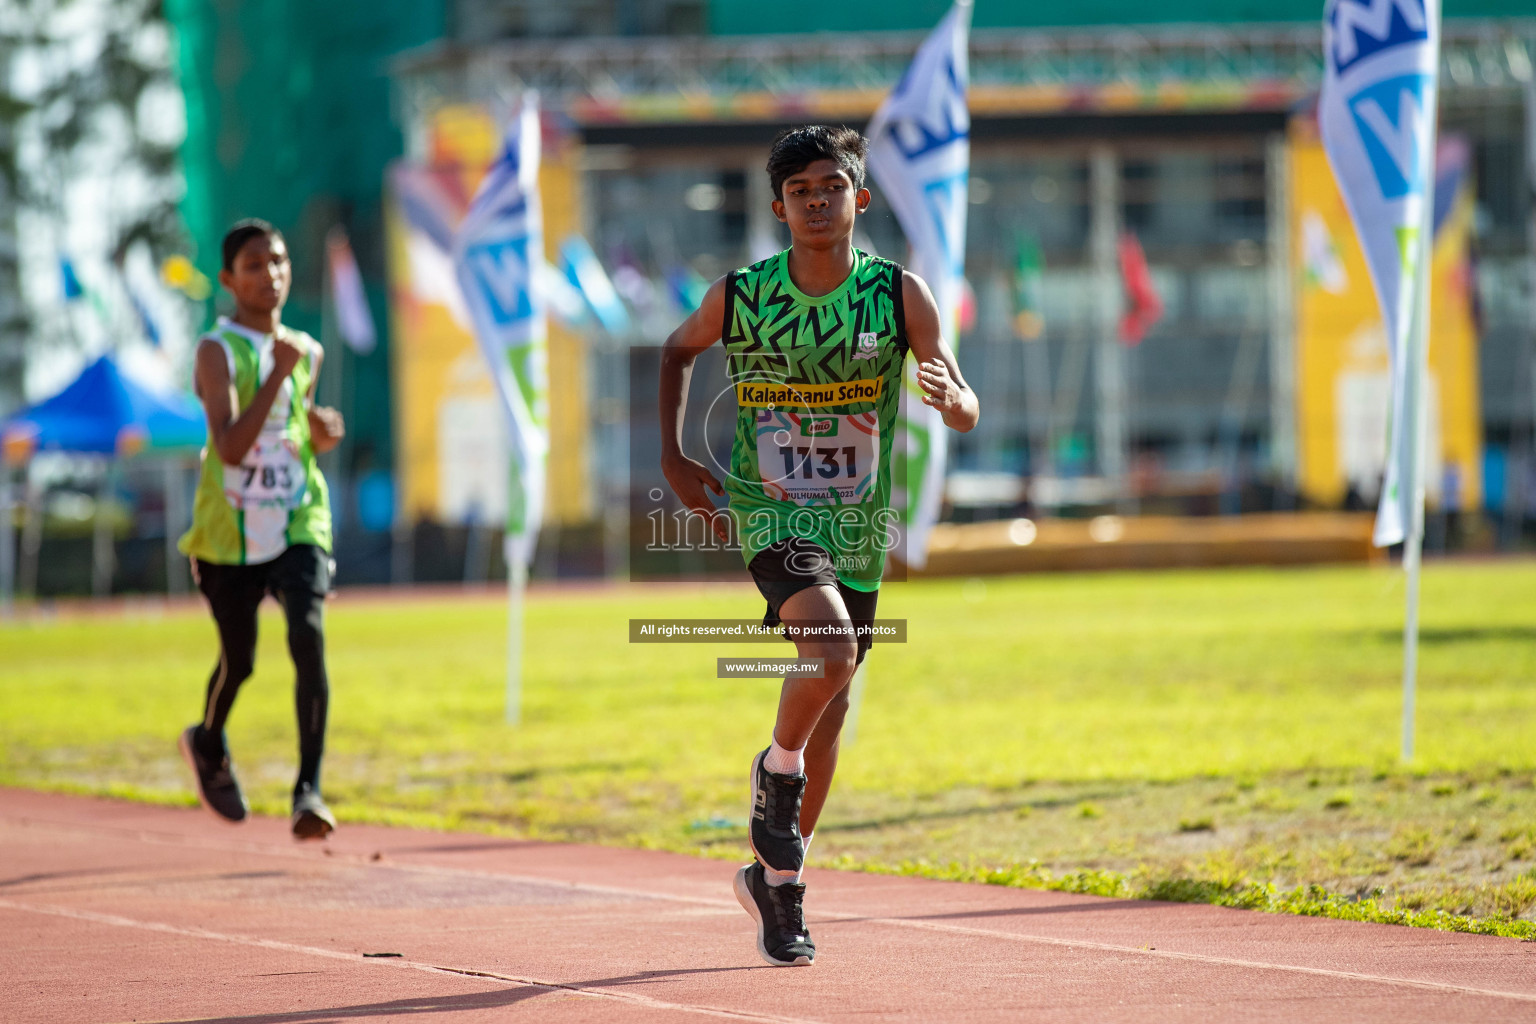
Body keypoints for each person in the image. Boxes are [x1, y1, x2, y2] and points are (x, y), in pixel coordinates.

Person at [659, 125, 979, 965]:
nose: (816, 201)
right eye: (799, 191)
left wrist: (954, 401)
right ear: (778, 208)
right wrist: (675, 457)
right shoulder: (742, 294)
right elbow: (675, 351)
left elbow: (960, 394)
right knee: (829, 652)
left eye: (830, 187)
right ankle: (776, 771)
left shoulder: (899, 296)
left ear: (858, 199)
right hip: (770, 509)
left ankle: (780, 887)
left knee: (833, 706)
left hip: (858, 521)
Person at [176, 219, 345, 841]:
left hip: (299, 514)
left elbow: (296, 433)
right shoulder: (215, 351)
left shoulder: (306, 351)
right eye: (253, 265)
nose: (269, 274)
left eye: (277, 261)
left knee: (308, 632)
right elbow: (230, 449)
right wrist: (277, 373)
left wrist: (321, 429)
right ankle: (208, 739)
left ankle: (309, 790)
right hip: (229, 530)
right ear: (228, 279)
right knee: (240, 661)